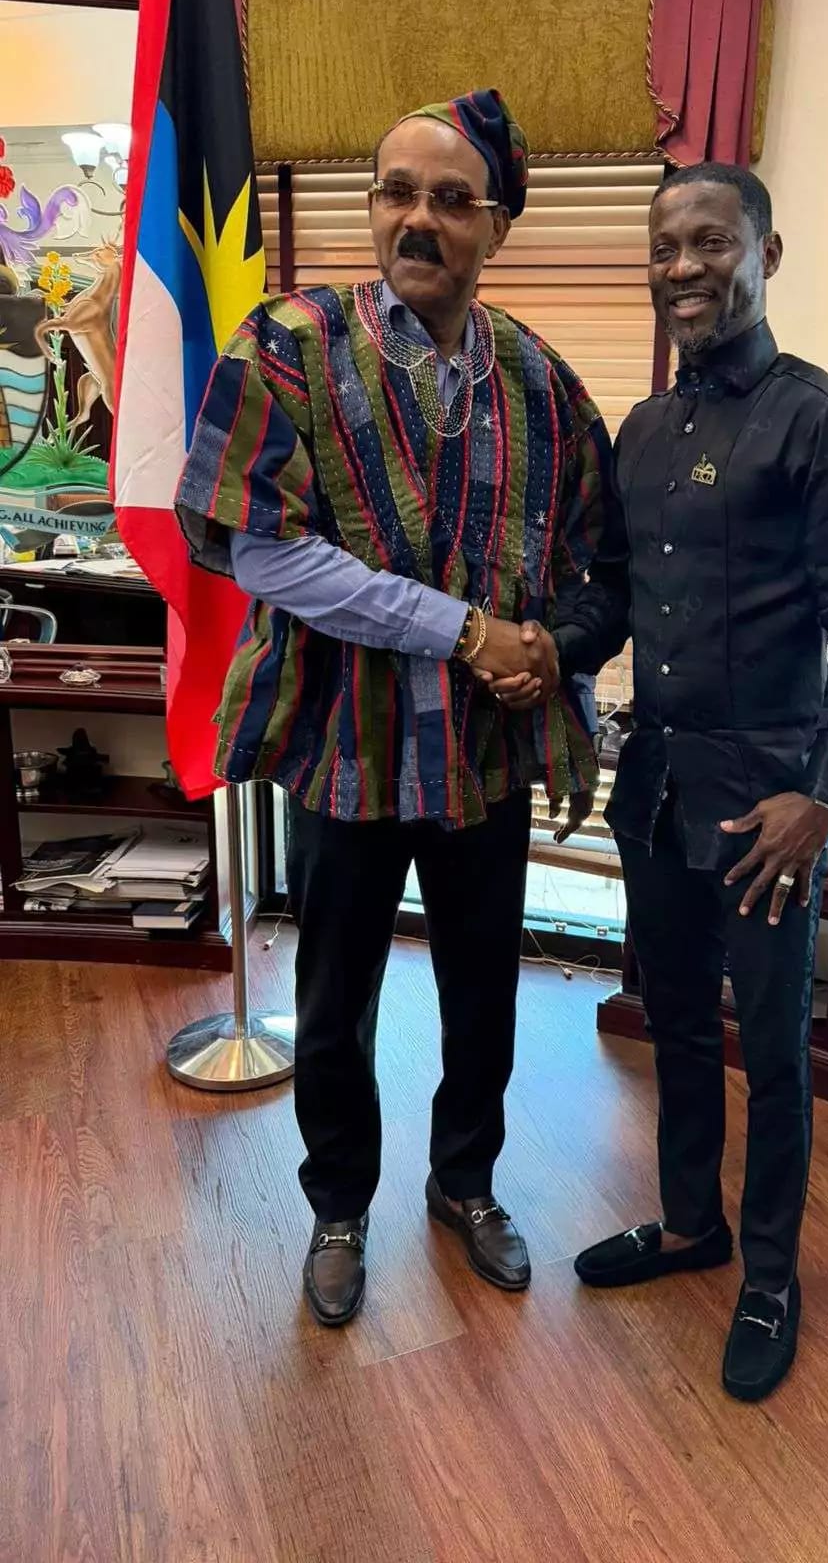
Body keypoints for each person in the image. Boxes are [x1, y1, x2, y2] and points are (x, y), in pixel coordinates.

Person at [175, 90, 609, 1326]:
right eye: (396, 192)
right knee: (333, 1005)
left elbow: (594, 559)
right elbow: (266, 552)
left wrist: (549, 655)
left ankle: (465, 1183)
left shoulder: (543, 381)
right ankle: (338, 1206)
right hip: (343, 749)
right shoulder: (287, 348)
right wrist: (468, 630)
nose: (419, 219)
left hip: (482, 759)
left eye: (452, 199)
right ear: (371, 208)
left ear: (499, 225)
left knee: (484, 996)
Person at [490, 161, 828, 1401]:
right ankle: (689, 1224)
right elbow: (616, 595)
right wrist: (548, 651)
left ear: (764, 255)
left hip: (773, 805)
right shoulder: (644, 432)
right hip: (661, 784)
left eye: (710, 242)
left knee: (771, 1048)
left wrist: (823, 795)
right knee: (671, 1017)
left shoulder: (826, 423)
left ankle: (769, 1276)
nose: (682, 266)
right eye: (664, 245)